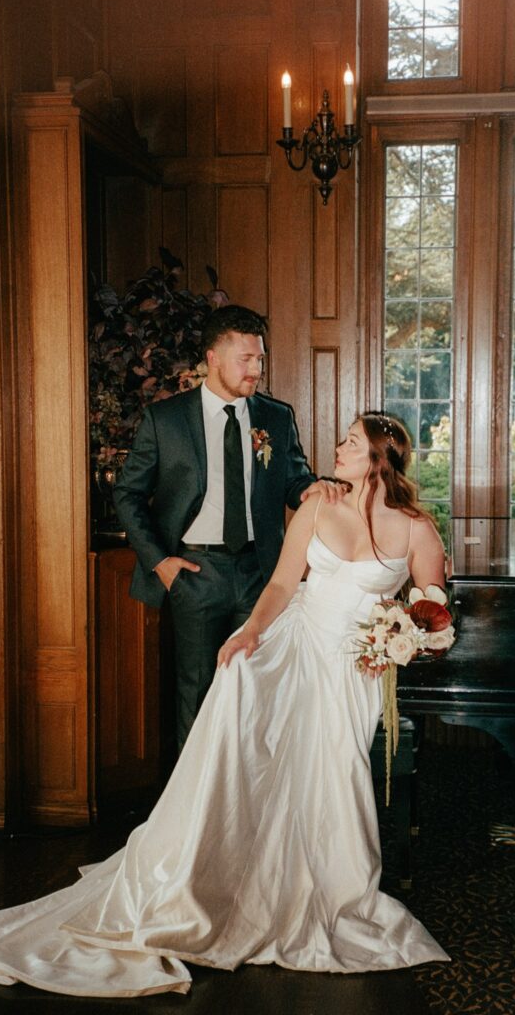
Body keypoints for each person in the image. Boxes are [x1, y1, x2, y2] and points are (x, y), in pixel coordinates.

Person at [0, 412, 450, 996]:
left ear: (378, 459)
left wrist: (404, 637)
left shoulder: (417, 528)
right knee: (244, 693)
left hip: (355, 667)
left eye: (351, 443)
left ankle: (331, 888)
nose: (338, 448)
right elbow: (282, 584)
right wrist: (250, 633)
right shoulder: (317, 507)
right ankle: (222, 866)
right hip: (296, 641)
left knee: (334, 768)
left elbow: (432, 609)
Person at [114, 304, 340, 750]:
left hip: (261, 574)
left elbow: (293, 480)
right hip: (196, 574)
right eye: (246, 359)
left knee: (255, 692)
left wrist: (311, 490)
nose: (256, 369)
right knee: (197, 695)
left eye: (260, 359)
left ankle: (245, 792)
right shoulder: (166, 420)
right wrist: (160, 563)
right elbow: (128, 494)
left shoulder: (275, 417)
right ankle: (196, 796)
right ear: (213, 358)